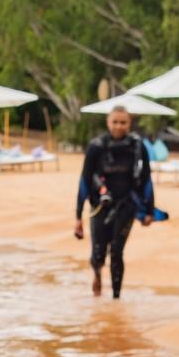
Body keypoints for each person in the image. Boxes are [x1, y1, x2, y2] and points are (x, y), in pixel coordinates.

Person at [74, 105, 155, 298]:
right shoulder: (96, 146)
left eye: (123, 122)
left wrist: (149, 210)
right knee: (98, 252)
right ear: (108, 122)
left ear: (130, 123)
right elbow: (85, 180)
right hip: (100, 205)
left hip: (127, 205)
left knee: (117, 252)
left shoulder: (137, 146)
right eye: (115, 122)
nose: (119, 126)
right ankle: (97, 274)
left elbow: (146, 179)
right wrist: (78, 216)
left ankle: (116, 296)